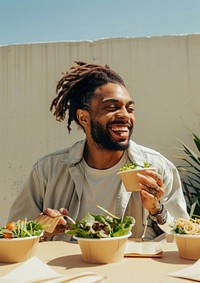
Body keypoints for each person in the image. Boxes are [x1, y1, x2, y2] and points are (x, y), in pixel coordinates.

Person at [8, 61, 189, 241]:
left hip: (129, 268)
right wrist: (39, 228)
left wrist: (157, 210)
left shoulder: (157, 168)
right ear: (84, 117)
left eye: (130, 109)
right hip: (62, 269)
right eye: (111, 108)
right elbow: (12, 236)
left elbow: (183, 238)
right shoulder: (47, 170)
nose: (125, 115)